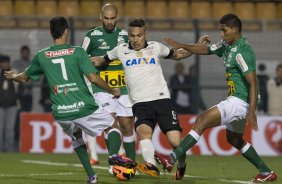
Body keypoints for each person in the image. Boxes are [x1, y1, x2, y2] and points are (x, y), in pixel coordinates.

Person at [4, 16, 136, 184]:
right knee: (113, 126)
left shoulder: (41, 55)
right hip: (83, 107)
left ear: (50, 33)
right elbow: (94, 78)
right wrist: (112, 90)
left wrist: (12, 76)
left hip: (61, 112)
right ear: (67, 31)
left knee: (76, 137)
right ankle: (114, 157)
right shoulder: (77, 52)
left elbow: (23, 78)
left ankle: (91, 176)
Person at [154, 13, 278, 182]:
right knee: (233, 139)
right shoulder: (227, 46)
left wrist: (251, 111)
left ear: (235, 30)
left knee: (201, 120)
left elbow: (253, 82)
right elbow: (205, 49)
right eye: (220, 30)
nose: (221, 34)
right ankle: (266, 172)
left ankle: (171, 158)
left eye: (223, 30)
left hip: (240, 101)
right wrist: (180, 44)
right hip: (238, 100)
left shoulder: (242, 52)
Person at [92, 18, 193, 180]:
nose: (136, 39)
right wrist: (80, 61)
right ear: (128, 36)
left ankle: (181, 164)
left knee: (175, 142)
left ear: (145, 34)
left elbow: (178, 55)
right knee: (143, 134)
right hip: (140, 103)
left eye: (139, 35)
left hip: (162, 100)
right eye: (132, 36)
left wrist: (197, 47)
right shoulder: (120, 50)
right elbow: (101, 60)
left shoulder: (156, 47)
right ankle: (151, 165)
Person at [81, 3, 135, 166]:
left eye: (112, 18)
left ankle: (131, 164)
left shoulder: (126, 36)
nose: (110, 22)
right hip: (101, 87)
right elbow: (81, 59)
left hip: (123, 87)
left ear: (117, 18)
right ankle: (115, 162)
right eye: (106, 18)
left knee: (126, 126)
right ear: (100, 17)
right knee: (109, 123)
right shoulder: (92, 35)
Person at [0, 55, 18, 152]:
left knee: (9, 129)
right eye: (3, 62)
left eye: (7, 62)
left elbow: (20, 86)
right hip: (0, 106)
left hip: (12, 105)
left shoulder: (14, 73)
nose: (5, 64)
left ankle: (9, 149)